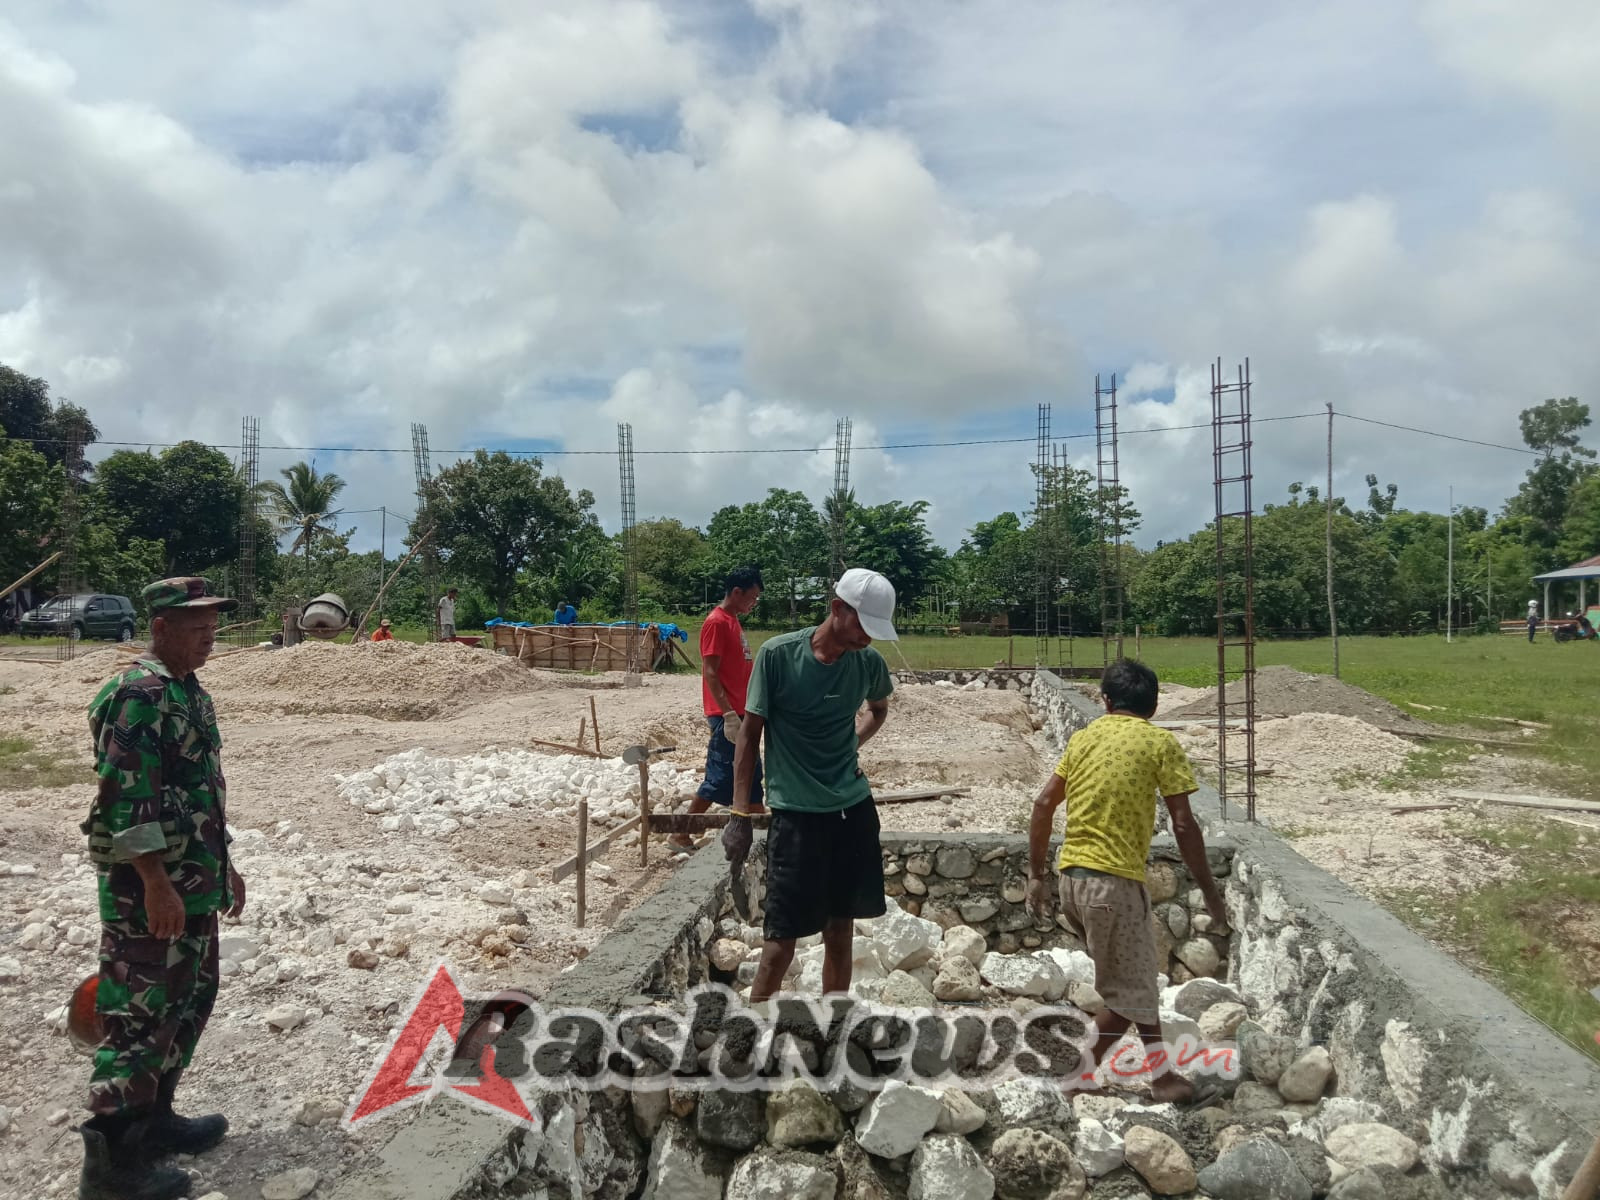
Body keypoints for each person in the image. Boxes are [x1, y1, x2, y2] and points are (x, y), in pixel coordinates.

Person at [77, 578, 246, 1200]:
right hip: (149, 890)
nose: (209, 637)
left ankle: (156, 1122)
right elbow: (126, 799)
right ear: (160, 628)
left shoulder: (187, 692)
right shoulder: (139, 695)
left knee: (190, 998)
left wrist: (224, 866)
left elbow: (200, 792)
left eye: (212, 626)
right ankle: (113, 1165)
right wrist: (155, 884)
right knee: (139, 1014)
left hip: (193, 880)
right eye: (196, 626)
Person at [1025, 658, 1228, 1107]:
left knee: (1133, 980)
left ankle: (1162, 1077)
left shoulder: (1083, 738)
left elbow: (1043, 805)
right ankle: (1078, 1074)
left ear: (1105, 701)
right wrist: (1211, 892)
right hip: (1113, 884)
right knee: (1129, 994)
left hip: (1073, 880)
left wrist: (1036, 876)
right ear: (1153, 707)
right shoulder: (1160, 743)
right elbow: (1184, 826)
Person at [723, 568, 898, 1001]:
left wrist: (852, 743)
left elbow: (878, 707)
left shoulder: (868, 663)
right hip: (797, 816)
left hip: (853, 811)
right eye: (862, 626)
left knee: (842, 927)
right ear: (838, 608)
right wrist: (740, 813)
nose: (867, 639)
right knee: (781, 937)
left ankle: (833, 1026)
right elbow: (750, 734)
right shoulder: (779, 656)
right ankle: (752, 1035)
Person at [672, 568, 765, 850]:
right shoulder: (716, 622)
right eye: (753, 597)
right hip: (726, 715)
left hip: (741, 711)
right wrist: (726, 714)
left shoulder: (733, 621)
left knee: (751, 773)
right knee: (721, 774)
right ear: (736, 592)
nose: (754, 603)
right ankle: (680, 832)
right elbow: (710, 672)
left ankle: (760, 834)